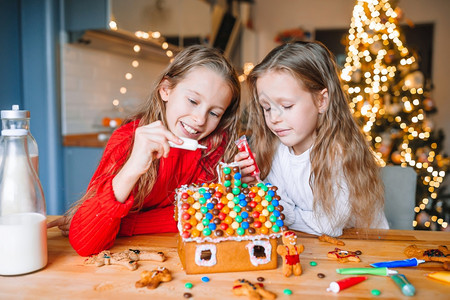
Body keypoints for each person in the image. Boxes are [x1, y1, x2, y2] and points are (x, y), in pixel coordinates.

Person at [48, 45, 241, 256]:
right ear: (166, 89)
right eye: (193, 101)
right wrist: (132, 167)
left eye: (214, 113)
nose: (200, 119)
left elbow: (207, 216)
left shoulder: (213, 150)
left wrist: (121, 225)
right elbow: (86, 243)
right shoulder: (126, 143)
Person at [236, 41, 388, 237]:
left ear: (321, 101)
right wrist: (254, 187)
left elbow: (327, 226)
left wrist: (273, 205)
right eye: (267, 108)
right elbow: (278, 204)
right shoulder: (277, 150)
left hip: (368, 249)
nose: (273, 118)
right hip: (318, 247)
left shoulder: (340, 153)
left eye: (287, 106)